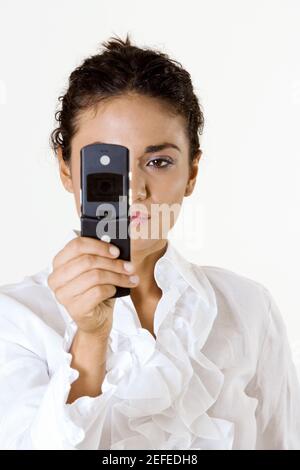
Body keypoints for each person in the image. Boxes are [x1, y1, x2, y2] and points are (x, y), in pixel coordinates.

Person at [0, 34, 299, 450]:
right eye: (107, 160)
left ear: (192, 171)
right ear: (66, 168)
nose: (135, 190)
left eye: (158, 162)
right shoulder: (15, 319)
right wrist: (90, 340)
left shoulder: (248, 309)